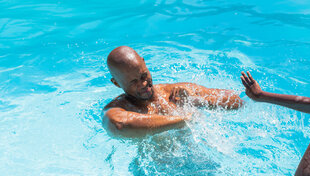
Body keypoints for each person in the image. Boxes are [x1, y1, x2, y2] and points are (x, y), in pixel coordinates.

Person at [103, 46, 243, 133]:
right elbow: (118, 124)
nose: (144, 83)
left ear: (144, 63)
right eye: (134, 82)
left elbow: (237, 101)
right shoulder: (120, 108)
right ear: (116, 84)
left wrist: (195, 100)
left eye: (144, 75)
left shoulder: (174, 91)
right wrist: (183, 119)